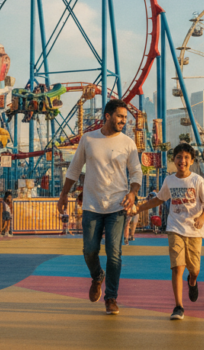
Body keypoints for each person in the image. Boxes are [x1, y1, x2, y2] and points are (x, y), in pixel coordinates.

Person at [57, 99, 142, 316]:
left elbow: (136, 172)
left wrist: (133, 193)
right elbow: (74, 169)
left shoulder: (128, 143)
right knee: (89, 251)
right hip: (92, 205)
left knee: (114, 253)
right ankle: (97, 276)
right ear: (107, 116)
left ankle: (111, 297)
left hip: (117, 205)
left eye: (125, 117)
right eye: (120, 116)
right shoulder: (89, 139)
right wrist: (64, 194)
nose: (123, 121)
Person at [133, 143, 204, 321]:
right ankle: (178, 306)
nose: (182, 161)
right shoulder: (169, 180)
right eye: (179, 157)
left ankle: (192, 281)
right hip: (175, 228)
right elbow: (159, 199)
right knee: (177, 267)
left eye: (186, 158)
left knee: (195, 269)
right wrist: (139, 208)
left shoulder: (197, 180)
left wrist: (202, 218)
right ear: (174, 160)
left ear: (191, 161)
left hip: (194, 231)